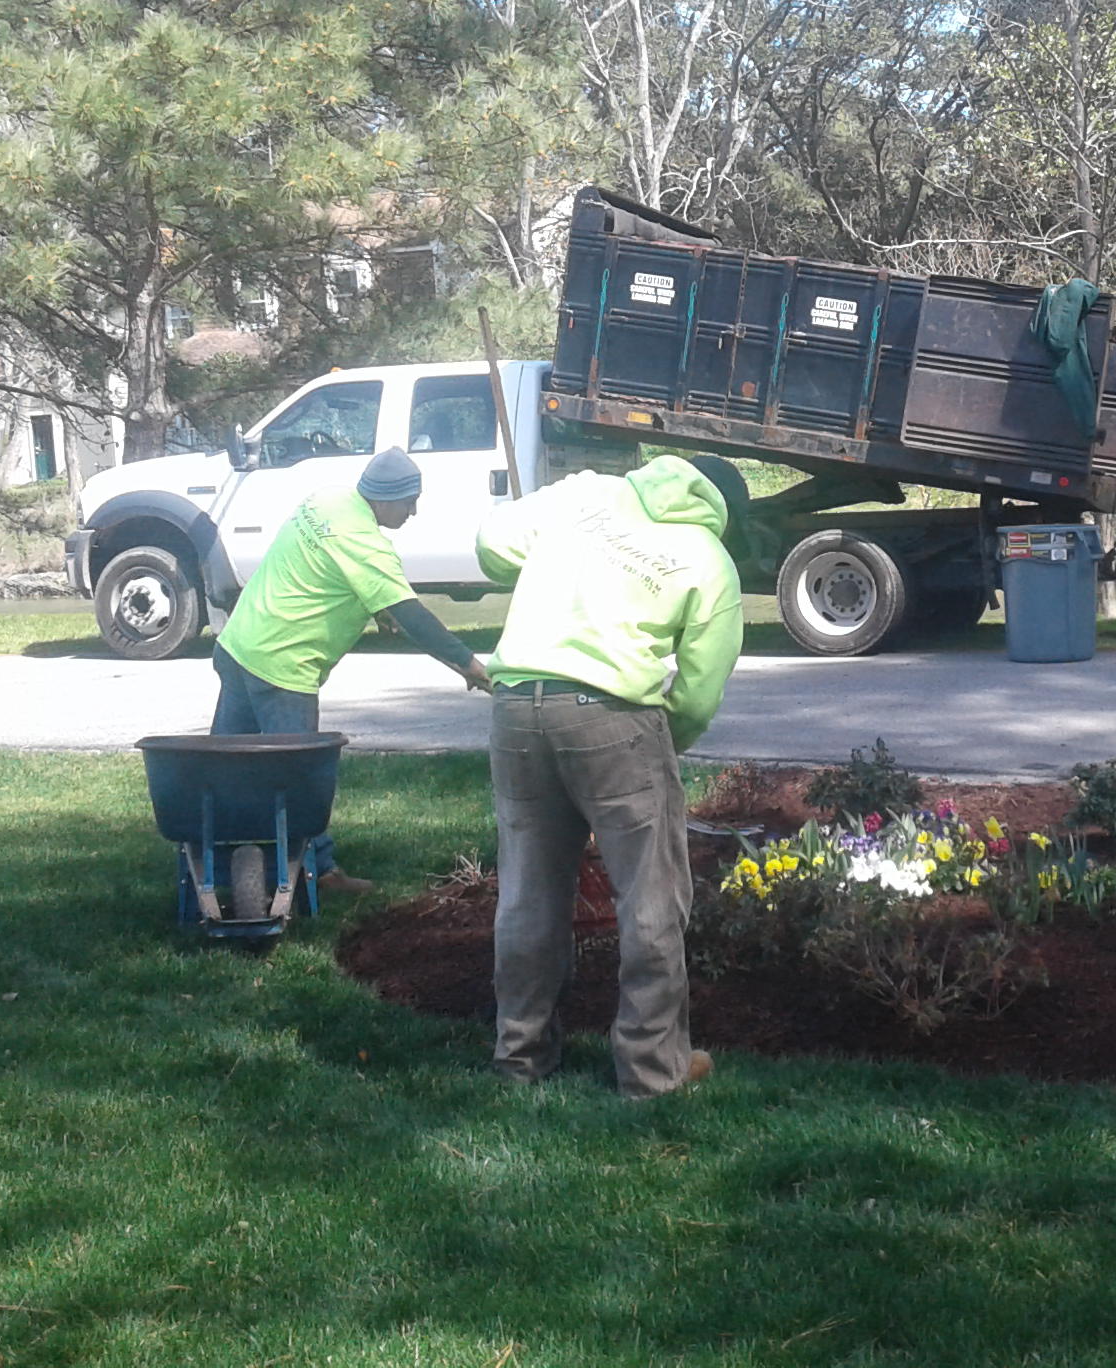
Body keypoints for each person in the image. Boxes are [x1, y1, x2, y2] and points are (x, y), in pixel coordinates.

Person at [476, 453, 746, 1099]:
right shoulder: (708, 556)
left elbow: (491, 545)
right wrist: (662, 744)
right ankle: (652, 1074)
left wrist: (547, 561)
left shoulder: (586, 492)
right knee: (651, 899)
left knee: (529, 892)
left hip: (515, 704)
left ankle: (521, 1058)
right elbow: (701, 689)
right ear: (722, 508)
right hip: (615, 715)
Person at [212, 447, 490, 892]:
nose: (413, 511)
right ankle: (320, 873)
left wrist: (372, 608)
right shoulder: (367, 545)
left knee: (221, 771)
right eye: (408, 501)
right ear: (383, 500)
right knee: (301, 779)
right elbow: (415, 618)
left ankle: (219, 861)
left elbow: (323, 565)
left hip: (240, 645)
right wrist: (469, 665)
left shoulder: (326, 500)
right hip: (284, 667)